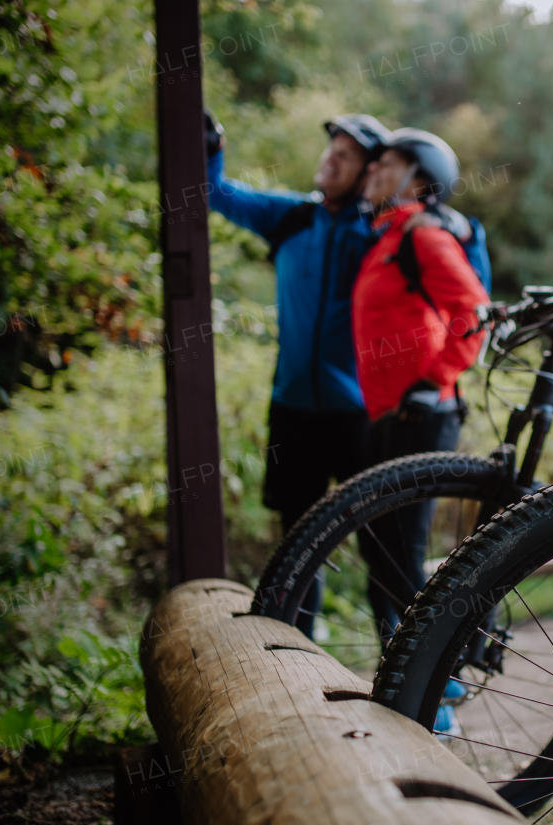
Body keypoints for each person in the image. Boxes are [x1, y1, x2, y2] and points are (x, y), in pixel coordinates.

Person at [203, 112, 490, 639]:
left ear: (370, 175)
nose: (332, 157)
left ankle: (413, 675)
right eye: (330, 147)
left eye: (351, 155)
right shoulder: (292, 217)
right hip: (293, 408)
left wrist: (465, 230)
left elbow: (470, 297)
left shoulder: (386, 231)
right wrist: (209, 145)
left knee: (384, 549)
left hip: (365, 413)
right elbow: (215, 193)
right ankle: (296, 658)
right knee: (299, 542)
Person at [350, 129, 490, 651]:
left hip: (424, 411)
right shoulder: (385, 240)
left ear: (417, 179)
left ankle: (449, 665)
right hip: (387, 415)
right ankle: (407, 667)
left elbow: (474, 315)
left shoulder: (423, 236)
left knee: (402, 550)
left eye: (384, 165)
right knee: (380, 550)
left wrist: (433, 381)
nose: (372, 173)